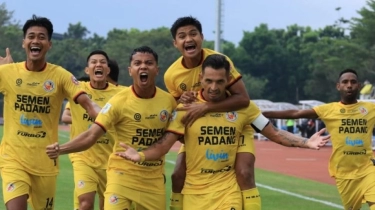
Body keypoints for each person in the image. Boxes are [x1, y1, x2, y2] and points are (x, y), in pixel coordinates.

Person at [117, 54, 330, 210]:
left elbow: (274, 133)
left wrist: (306, 143)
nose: (213, 87)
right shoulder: (186, 108)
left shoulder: (244, 108)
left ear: (228, 80)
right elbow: (164, 145)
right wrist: (140, 155)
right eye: (208, 81)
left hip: (228, 194)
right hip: (194, 194)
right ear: (200, 78)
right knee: (176, 174)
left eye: (220, 81)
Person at [46, 46, 177, 210]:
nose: (143, 67)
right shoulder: (118, 101)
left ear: (157, 70)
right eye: (137, 63)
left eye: (148, 63)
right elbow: (91, 135)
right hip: (120, 175)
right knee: (85, 203)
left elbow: (169, 141)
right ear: (130, 70)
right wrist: (61, 149)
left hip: (153, 181)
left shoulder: (169, 102)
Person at [0, 15, 99, 210]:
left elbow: (88, 104)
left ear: (49, 44)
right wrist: (5, 70)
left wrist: (108, 117)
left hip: (46, 163)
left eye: (41, 37)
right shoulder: (7, 73)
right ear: (24, 43)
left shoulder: (60, 76)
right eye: (31, 36)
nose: (36, 41)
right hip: (13, 158)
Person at [164, 16, 260, 210]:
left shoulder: (220, 61)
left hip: (233, 126)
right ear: (176, 43)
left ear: (202, 37)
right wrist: (180, 102)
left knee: (244, 172)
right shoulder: (171, 75)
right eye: (182, 36)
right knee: (177, 175)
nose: (188, 39)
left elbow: (242, 98)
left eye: (193, 33)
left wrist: (205, 107)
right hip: (200, 131)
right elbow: (176, 108)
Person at [263, 69, 375, 210]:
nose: (349, 85)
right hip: (343, 173)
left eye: (353, 82)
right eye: (345, 82)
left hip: (368, 169)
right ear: (338, 86)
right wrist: (262, 114)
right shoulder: (329, 110)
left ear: (358, 86)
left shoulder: (370, 109)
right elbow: (297, 113)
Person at [63, 50, 125, 210]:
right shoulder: (77, 89)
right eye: (94, 62)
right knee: (85, 203)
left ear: (108, 70)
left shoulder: (121, 94)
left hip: (111, 160)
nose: (98, 64)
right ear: (87, 70)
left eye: (103, 62)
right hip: (83, 158)